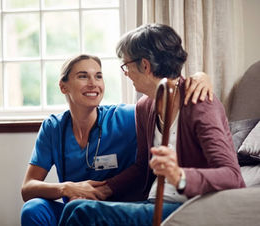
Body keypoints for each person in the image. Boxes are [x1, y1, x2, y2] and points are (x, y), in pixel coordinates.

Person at [58, 24, 245, 226]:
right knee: (74, 207)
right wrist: (101, 191)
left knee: (83, 213)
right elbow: (141, 168)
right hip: (153, 202)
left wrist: (180, 176)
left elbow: (232, 176)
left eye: (126, 65)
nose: (126, 73)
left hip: (187, 208)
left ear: (145, 66)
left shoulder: (200, 104)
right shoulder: (145, 107)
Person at [20, 54, 212, 226]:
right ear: (63, 87)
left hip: (119, 209)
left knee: (81, 211)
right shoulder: (53, 128)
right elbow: (28, 188)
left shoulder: (127, 116)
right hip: (75, 209)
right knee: (33, 209)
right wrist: (67, 188)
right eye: (83, 76)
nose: (93, 83)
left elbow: (164, 97)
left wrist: (199, 77)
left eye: (98, 76)